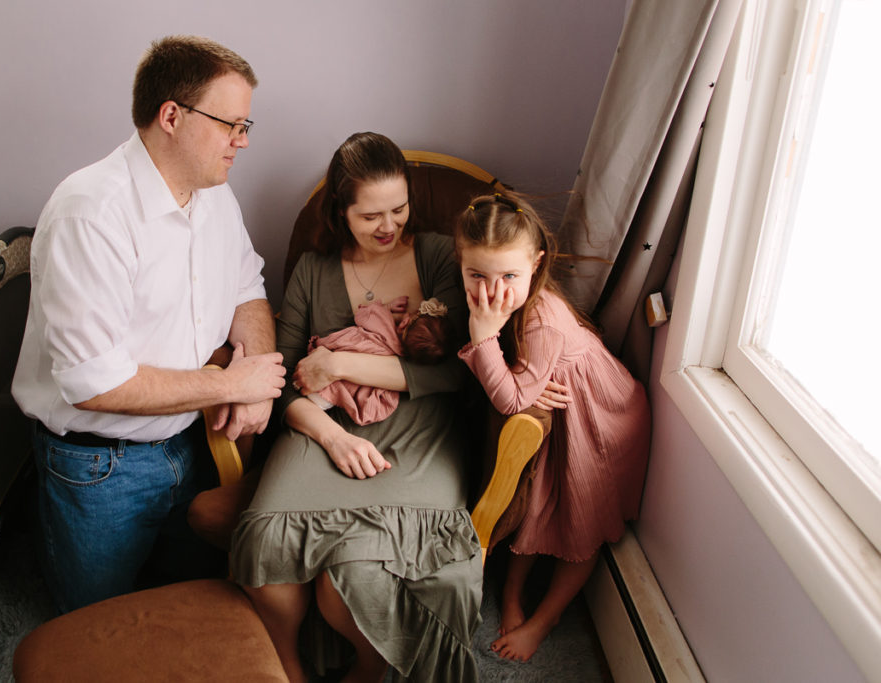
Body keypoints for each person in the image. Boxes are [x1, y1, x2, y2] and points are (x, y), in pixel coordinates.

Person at [11, 35, 286, 614]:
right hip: (99, 464)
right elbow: (94, 382)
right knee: (97, 625)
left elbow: (247, 290)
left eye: (246, 126)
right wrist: (231, 385)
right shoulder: (91, 213)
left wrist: (256, 374)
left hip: (189, 443)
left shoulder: (214, 196)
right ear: (172, 116)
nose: (242, 141)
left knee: (188, 603)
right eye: (232, 124)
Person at [228, 131, 481, 683]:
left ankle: (369, 670)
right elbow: (287, 378)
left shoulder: (439, 253)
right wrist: (333, 436)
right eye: (371, 216)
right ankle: (289, 667)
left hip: (420, 427)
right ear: (340, 212)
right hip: (324, 421)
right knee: (267, 544)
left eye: (399, 208)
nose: (388, 226)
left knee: (355, 567)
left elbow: (449, 374)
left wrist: (341, 365)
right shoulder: (314, 271)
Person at [453, 191, 651, 662]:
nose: (492, 291)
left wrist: (486, 339)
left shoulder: (541, 321)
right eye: (476, 275)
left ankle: (547, 619)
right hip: (558, 413)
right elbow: (518, 389)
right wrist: (525, 381)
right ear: (459, 264)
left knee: (581, 521)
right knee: (539, 508)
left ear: (536, 266)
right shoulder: (494, 300)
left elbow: (512, 399)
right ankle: (516, 593)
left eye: (509, 277)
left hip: (602, 420)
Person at [306, 295, 452, 425]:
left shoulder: (383, 322)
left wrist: (387, 308)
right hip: (340, 389)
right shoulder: (395, 363)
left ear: (404, 322)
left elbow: (363, 314)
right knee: (322, 399)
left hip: (328, 355)